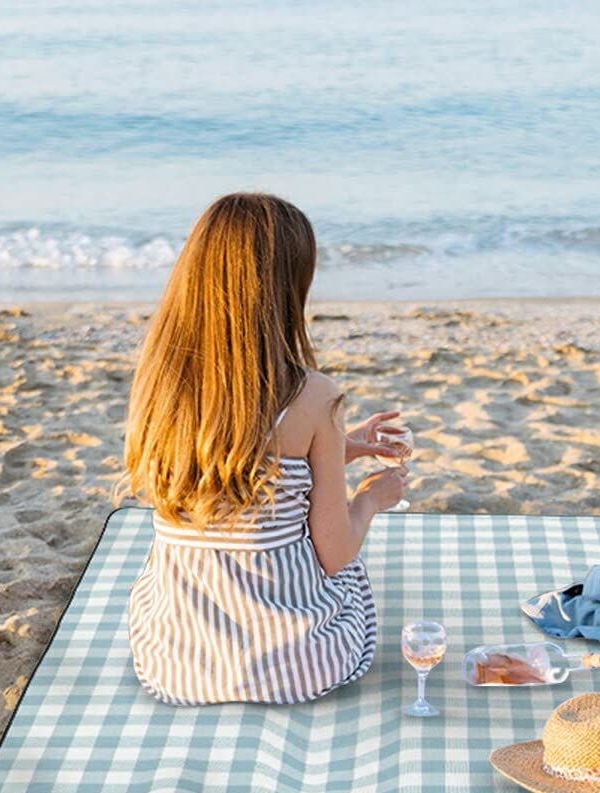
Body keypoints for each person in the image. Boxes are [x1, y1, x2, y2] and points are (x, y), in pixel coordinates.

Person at [113, 192, 407, 705]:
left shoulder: (161, 382)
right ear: (287, 286)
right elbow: (335, 554)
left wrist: (345, 447)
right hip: (299, 663)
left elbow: (236, 476)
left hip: (176, 661)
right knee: (349, 573)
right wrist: (372, 498)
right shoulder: (313, 394)